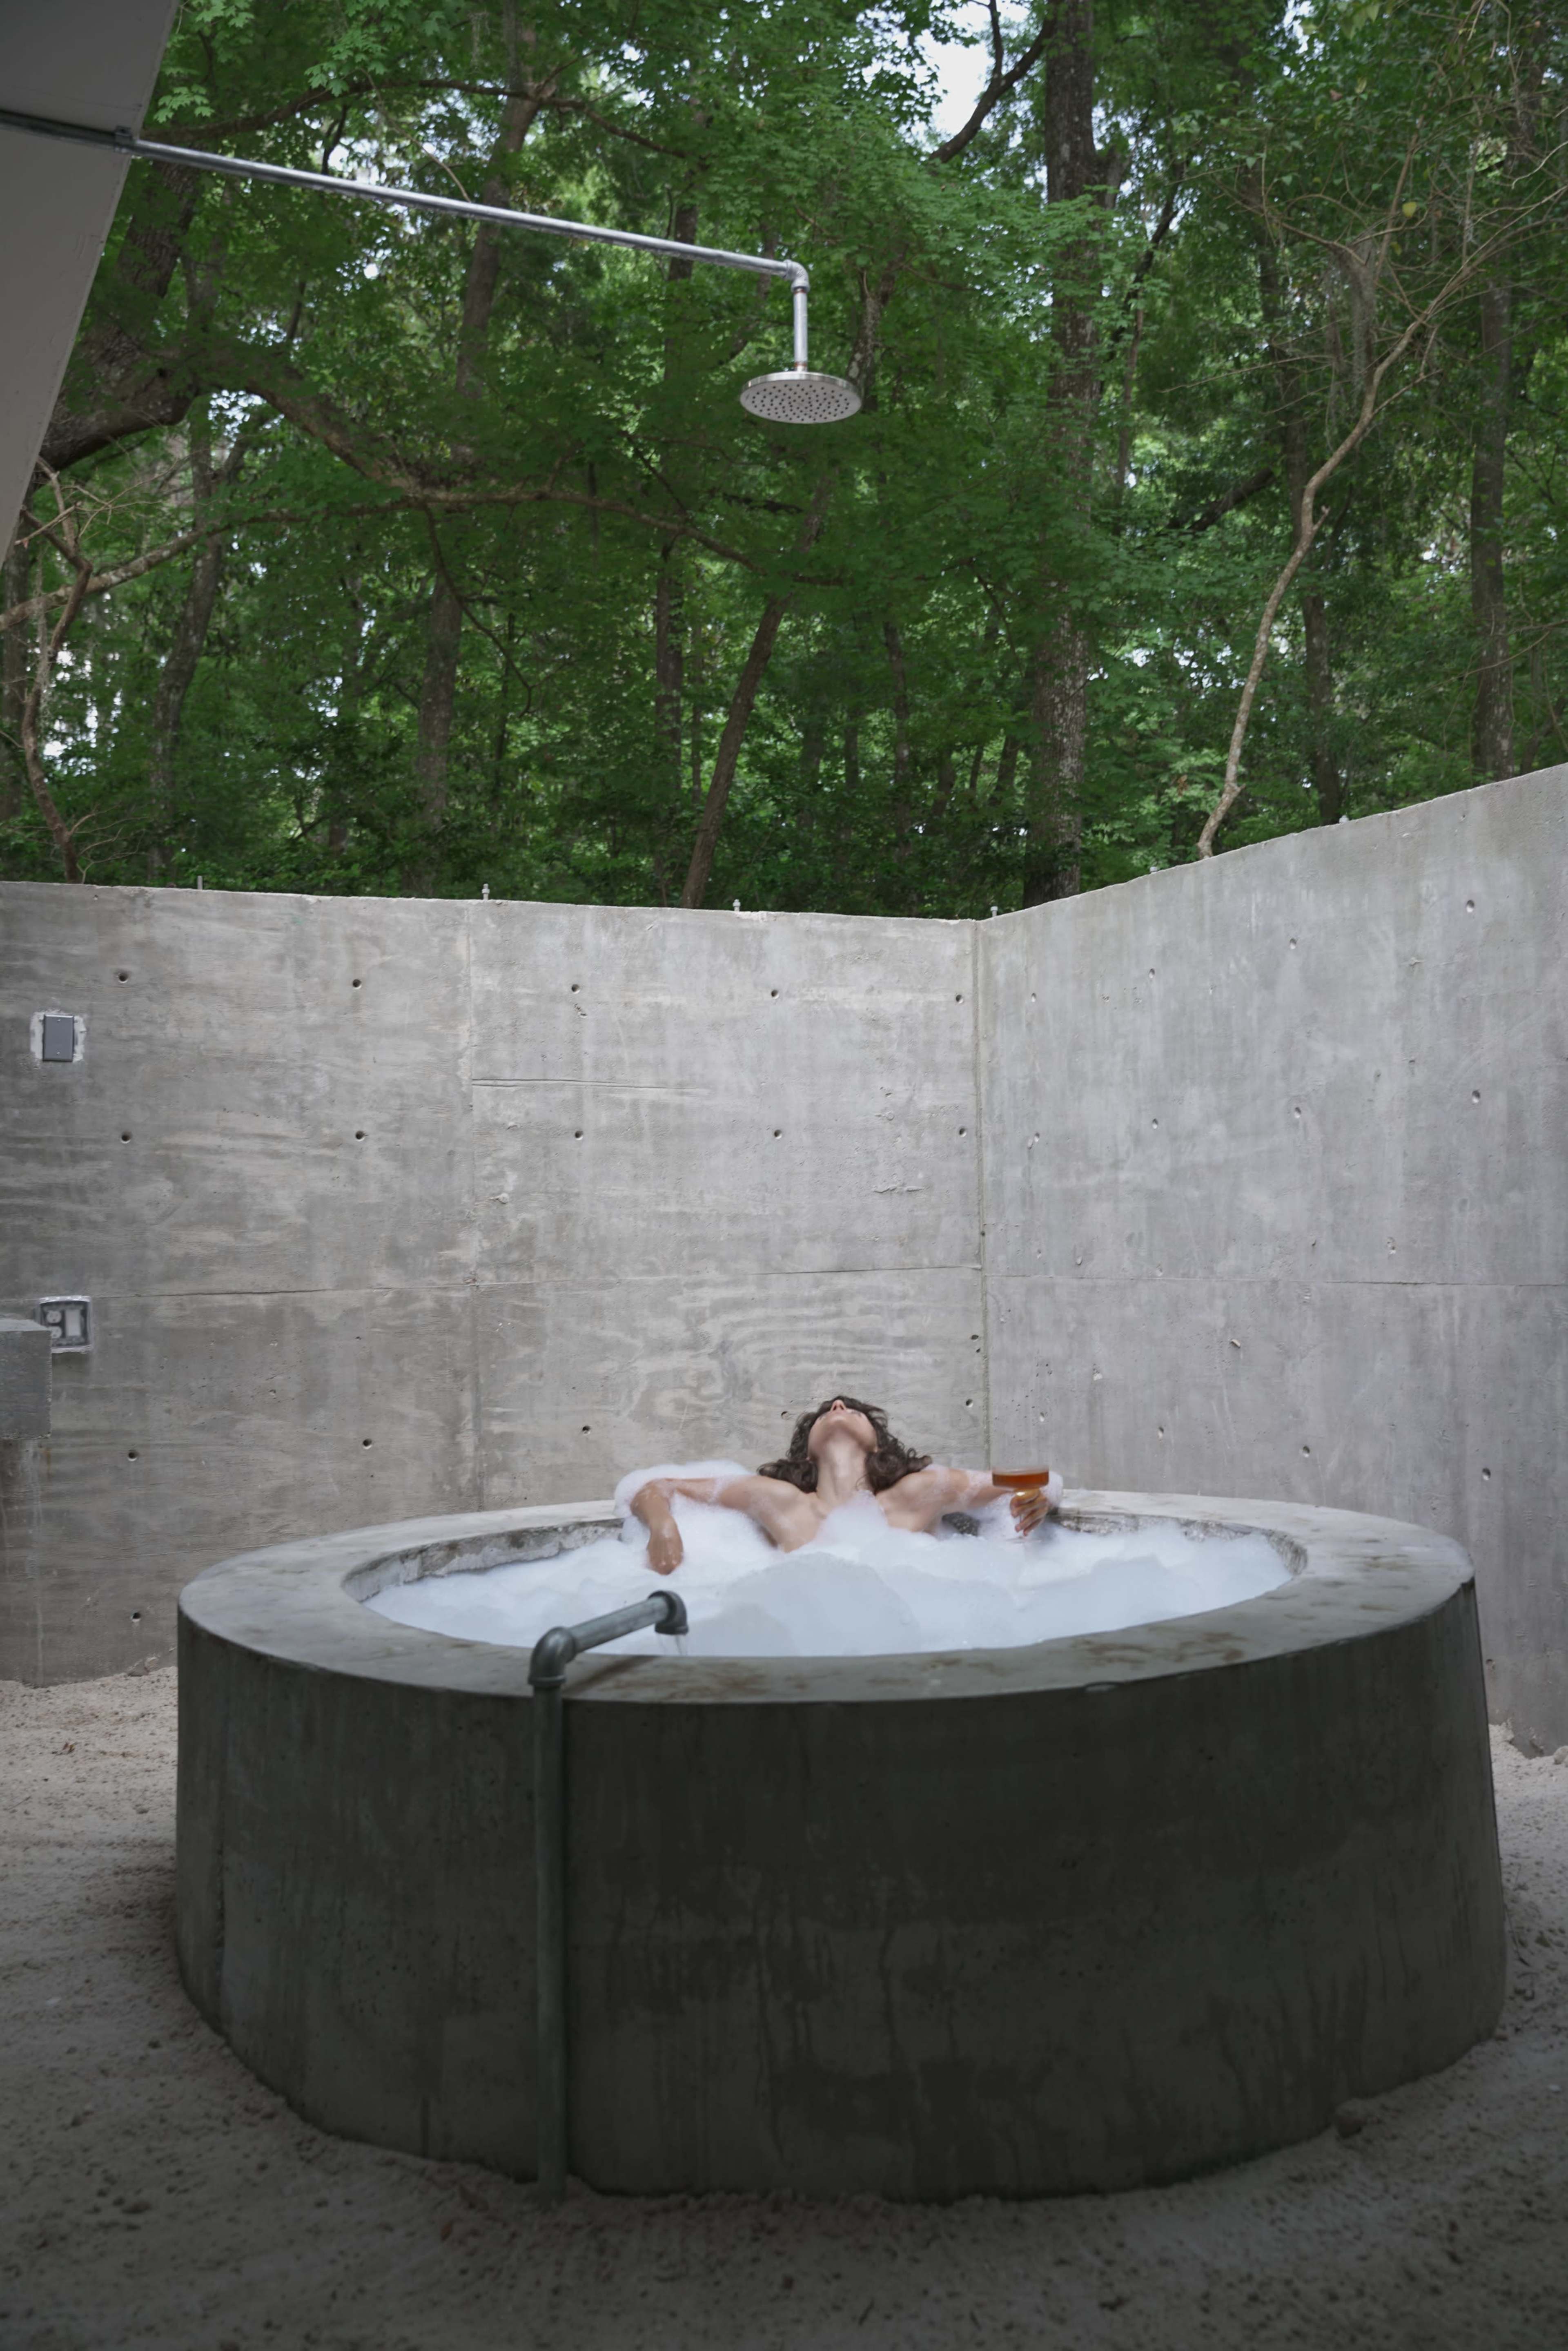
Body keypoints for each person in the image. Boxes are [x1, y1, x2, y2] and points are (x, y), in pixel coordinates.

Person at [629, 1394, 1061, 1577]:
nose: (838, 1405)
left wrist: (1037, 1497)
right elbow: (655, 1488)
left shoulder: (916, 1494)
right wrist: (662, 1525)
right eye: (828, 1409)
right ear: (807, 1453)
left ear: (878, 1444)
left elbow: (1034, 1477)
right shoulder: (780, 1501)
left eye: (853, 1409)